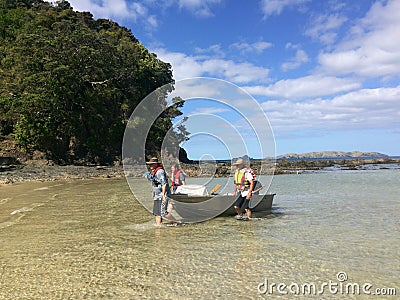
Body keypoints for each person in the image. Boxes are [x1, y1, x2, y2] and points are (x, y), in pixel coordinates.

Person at [145, 157, 179, 226]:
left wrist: (163, 195)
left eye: (151, 164)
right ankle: (158, 227)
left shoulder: (160, 172)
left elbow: (164, 184)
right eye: (149, 164)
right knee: (157, 213)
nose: (150, 166)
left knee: (163, 212)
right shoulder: (154, 171)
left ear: (156, 164)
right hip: (157, 195)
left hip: (162, 195)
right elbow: (156, 181)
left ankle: (176, 221)